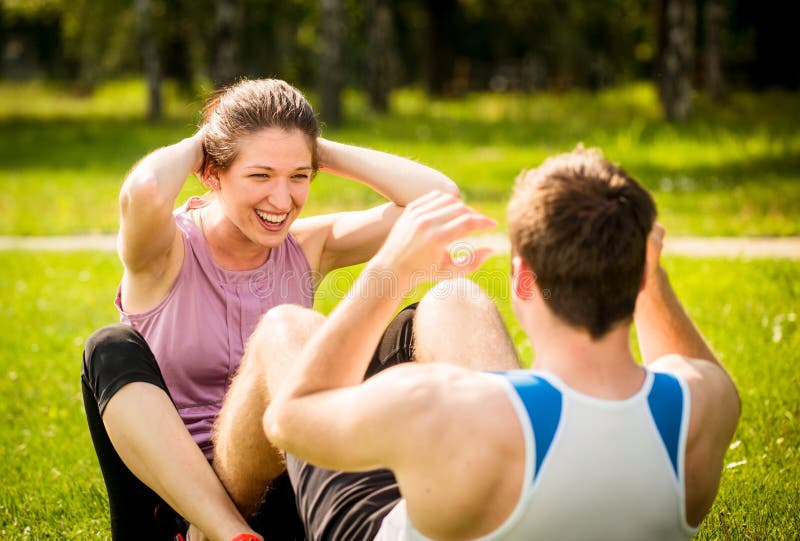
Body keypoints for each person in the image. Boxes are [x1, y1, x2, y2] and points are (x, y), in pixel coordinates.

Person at [260, 148, 741, 540]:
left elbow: (290, 416)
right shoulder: (703, 408)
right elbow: (687, 363)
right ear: (642, 270)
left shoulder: (443, 403)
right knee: (454, 298)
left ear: (523, 279)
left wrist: (393, 267)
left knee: (286, 332)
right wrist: (650, 276)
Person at [81, 78, 459, 541]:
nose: (283, 201)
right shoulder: (165, 253)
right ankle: (223, 530)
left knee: (419, 323)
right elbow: (144, 191)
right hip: (173, 506)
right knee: (108, 346)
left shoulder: (307, 247)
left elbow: (439, 204)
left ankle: (491, 484)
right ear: (211, 172)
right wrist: (206, 142)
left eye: (299, 177)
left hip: (273, 489)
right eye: (260, 176)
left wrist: (311, 150)